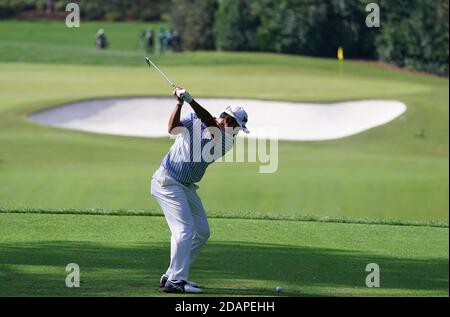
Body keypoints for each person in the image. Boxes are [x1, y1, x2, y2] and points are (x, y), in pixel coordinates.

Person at [151, 87, 249, 293]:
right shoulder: (195, 117)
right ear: (229, 121)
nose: (238, 132)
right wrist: (179, 103)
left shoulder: (226, 141)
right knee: (184, 230)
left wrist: (190, 100)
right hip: (167, 181)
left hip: (186, 186)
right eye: (238, 127)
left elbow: (212, 125)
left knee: (202, 232)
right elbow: (172, 128)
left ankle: (172, 274)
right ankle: (177, 281)